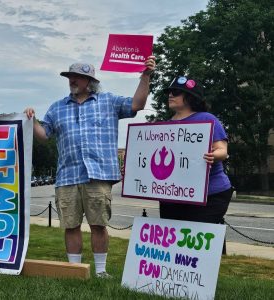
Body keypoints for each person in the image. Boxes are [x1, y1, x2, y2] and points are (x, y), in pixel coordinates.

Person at [24, 58, 156, 277]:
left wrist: (146, 76)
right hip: (67, 176)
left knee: (98, 224)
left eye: (76, 77)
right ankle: (75, 270)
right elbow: (44, 135)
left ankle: (101, 271)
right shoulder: (57, 108)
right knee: (71, 225)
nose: (71, 80)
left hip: (99, 175)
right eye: (69, 77)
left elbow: (137, 105)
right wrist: (31, 119)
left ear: (89, 81)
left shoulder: (109, 101)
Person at [159, 76, 233, 223]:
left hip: (210, 193)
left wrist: (213, 155)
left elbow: (222, 150)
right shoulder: (165, 125)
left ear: (190, 97)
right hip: (175, 195)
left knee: (205, 240)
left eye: (176, 92)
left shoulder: (207, 119)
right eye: (170, 92)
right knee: (176, 241)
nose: (170, 95)